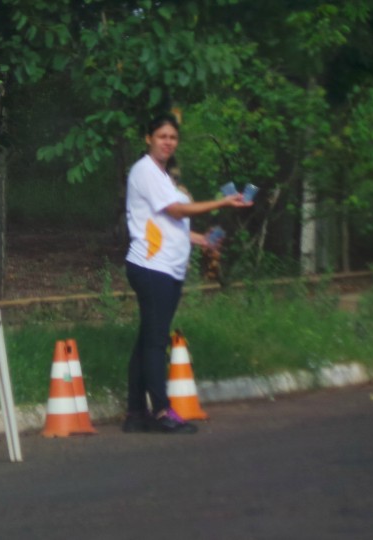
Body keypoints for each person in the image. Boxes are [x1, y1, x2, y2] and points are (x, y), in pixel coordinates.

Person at [122, 113, 251, 435]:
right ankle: (163, 412)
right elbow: (177, 211)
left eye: (173, 137)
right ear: (148, 138)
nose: (168, 142)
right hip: (153, 267)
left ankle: (136, 414)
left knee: (146, 341)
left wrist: (202, 240)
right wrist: (222, 202)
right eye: (162, 136)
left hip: (166, 268)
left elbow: (170, 224)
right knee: (155, 342)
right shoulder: (146, 171)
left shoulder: (163, 177)